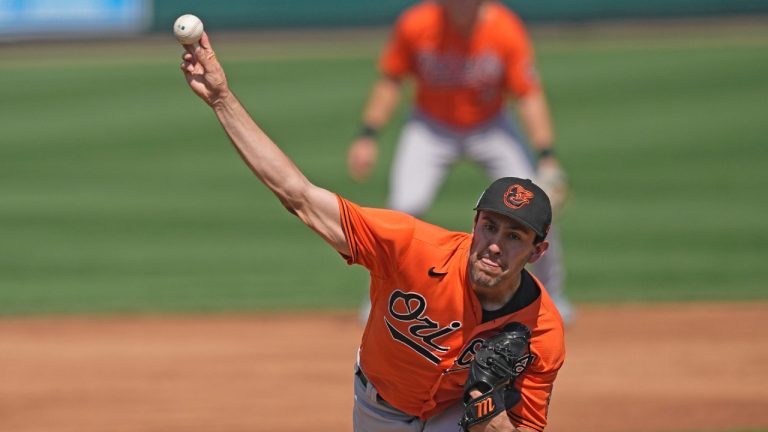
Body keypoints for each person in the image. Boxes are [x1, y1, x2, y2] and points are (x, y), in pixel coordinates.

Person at [179, 31, 564, 432]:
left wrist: (488, 406)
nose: (495, 246)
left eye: (515, 237)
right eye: (490, 226)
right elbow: (299, 196)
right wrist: (222, 99)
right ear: (474, 224)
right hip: (379, 410)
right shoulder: (410, 247)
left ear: (538, 252)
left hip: (455, 415)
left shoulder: (543, 331)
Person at [347, 0, 573, 323]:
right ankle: (380, 297)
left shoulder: (504, 28)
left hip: (491, 125)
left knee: (536, 206)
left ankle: (554, 297)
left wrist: (546, 156)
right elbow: (391, 79)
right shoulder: (417, 24)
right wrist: (368, 134)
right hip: (431, 127)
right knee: (403, 206)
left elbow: (527, 93)